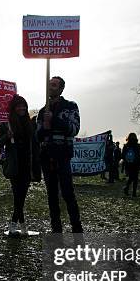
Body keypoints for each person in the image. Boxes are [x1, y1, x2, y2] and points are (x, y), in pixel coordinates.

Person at [36, 76, 83, 233]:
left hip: (63, 156)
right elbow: (38, 135)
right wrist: (44, 126)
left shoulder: (70, 106)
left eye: (54, 85)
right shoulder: (42, 111)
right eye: (49, 85)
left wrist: (54, 120)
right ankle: (56, 229)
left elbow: (74, 129)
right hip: (47, 157)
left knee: (68, 193)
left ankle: (77, 229)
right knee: (51, 195)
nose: (51, 87)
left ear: (61, 88)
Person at [0, 95, 41, 235]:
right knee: (18, 195)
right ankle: (18, 225)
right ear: (14, 108)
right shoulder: (6, 124)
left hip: (28, 164)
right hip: (15, 164)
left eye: (24, 106)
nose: (22, 108)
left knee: (22, 195)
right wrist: (7, 137)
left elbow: (35, 141)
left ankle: (16, 225)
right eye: (19, 106)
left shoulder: (30, 124)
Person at [122, 132, 140, 197]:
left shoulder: (126, 146)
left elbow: (123, 155)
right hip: (136, 164)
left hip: (129, 164)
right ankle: (133, 193)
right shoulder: (137, 146)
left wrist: (127, 161)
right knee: (135, 178)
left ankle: (126, 188)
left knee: (131, 177)